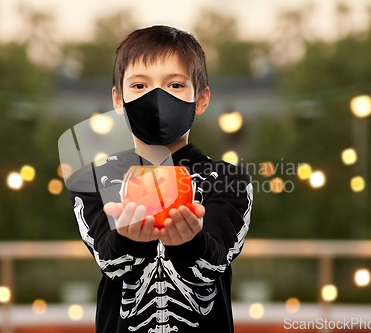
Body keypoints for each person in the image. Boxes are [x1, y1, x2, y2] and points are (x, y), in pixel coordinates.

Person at [69, 25, 253, 333]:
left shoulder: (229, 178)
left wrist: (191, 244)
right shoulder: (93, 180)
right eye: (140, 86)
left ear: (202, 99)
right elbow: (109, 261)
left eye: (175, 85)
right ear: (118, 100)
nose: (156, 98)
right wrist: (126, 239)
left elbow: (214, 263)